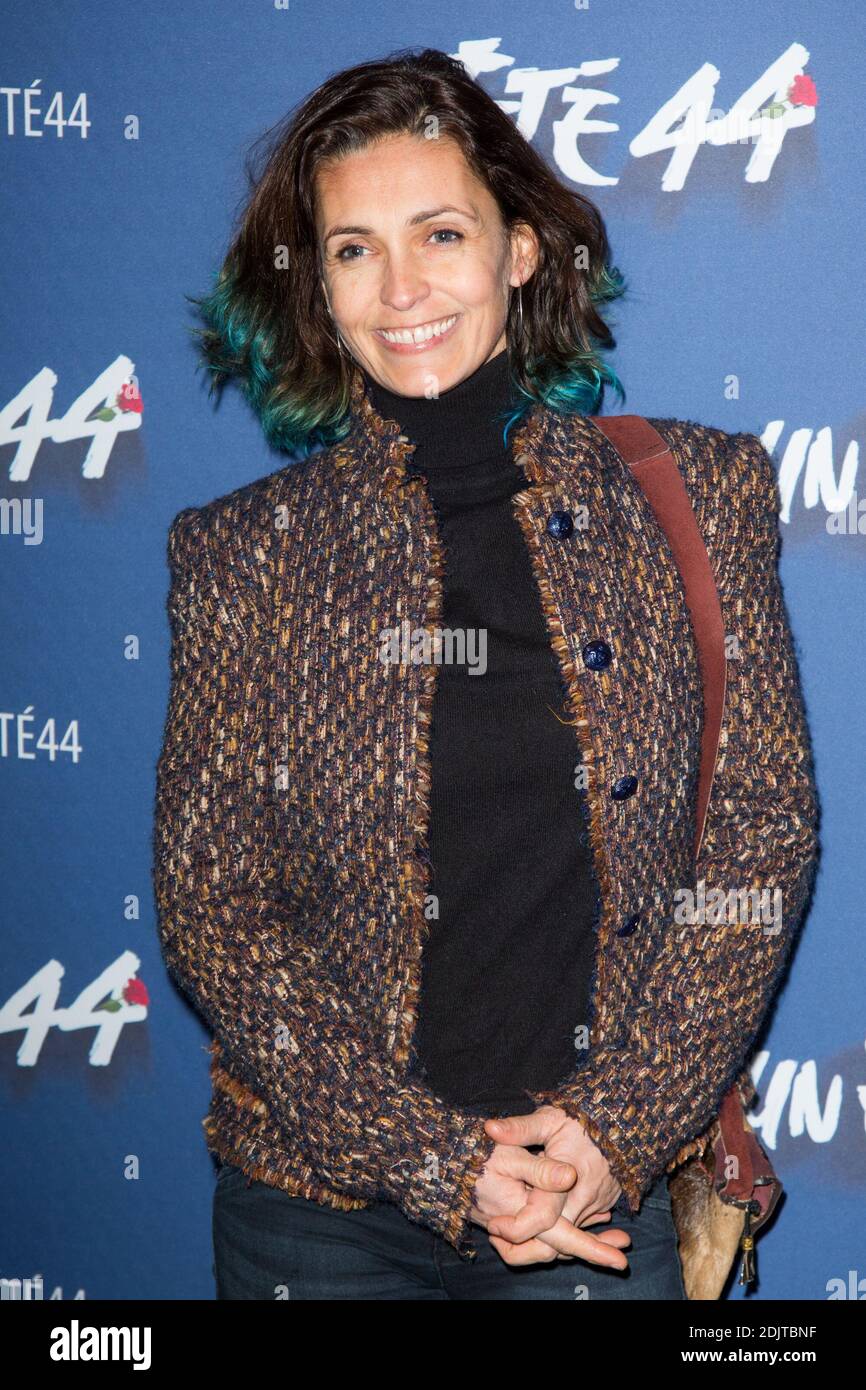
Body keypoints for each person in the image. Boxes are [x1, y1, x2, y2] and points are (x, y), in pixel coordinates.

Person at [154, 48, 819, 1300]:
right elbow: (214, 906)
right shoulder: (240, 555)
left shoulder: (698, 493)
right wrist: (440, 1160)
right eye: (351, 248)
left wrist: (616, 1125)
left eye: (440, 232)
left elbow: (758, 835)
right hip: (320, 1208)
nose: (399, 288)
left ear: (519, 250)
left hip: (595, 1189)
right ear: (315, 287)